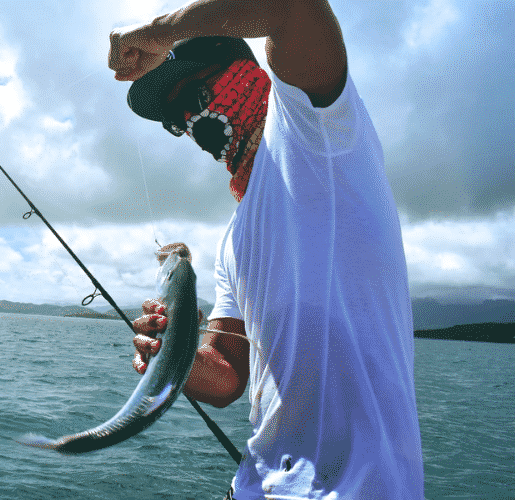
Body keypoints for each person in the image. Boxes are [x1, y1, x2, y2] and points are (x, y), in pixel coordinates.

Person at [110, 1, 424, 498]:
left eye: (195, 93)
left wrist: (154, 33)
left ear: (248, 73)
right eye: (175, 117)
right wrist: (176, 353)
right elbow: (228, 377)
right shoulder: (232, 241)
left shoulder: (316, 129)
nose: (190, 119)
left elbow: (294, 8)